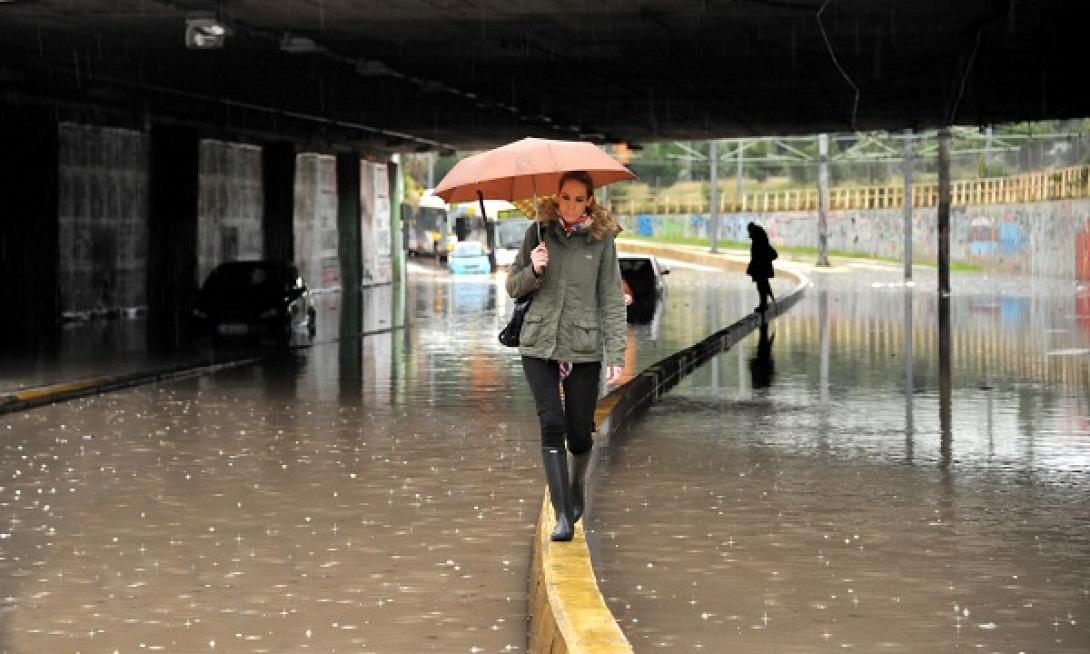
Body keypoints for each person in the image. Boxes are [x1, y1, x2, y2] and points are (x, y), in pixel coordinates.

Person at [505, 171, 627, 542]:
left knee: (578, 432)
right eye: (565, 197)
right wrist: (535, 269)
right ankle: (562, 515)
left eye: (578, 199)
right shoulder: (537, 235)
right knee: (551, 423)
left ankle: (575, 490)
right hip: (538, 343)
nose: (570, 205)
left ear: (589, 201)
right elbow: (513, 287)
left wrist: (616, 353)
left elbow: (610, 300)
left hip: (583, 347)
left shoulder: (602, 242)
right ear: (556, 197)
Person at [746, 222, 778, 313]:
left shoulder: (757, 241)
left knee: (761, 286)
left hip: (760, 268)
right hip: (762, 267)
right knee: (763, 286)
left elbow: (757, 256)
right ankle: (764, 303)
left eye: (749, 231)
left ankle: (763, 304)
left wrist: (754, 266)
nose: (749, 234)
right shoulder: (760, 238)